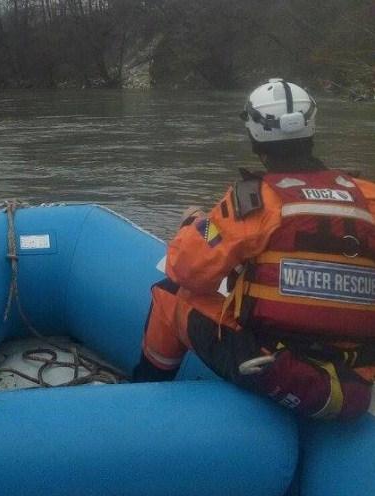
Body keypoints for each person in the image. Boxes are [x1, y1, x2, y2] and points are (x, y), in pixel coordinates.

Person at [134, 79, 375, 420]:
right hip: (357, 374)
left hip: (273, 363)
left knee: (170, 293)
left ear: (254, 136)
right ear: (312, 126)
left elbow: (186, 269)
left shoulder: (253, 200)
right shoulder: (367, 195)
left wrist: (198, 225)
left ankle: (144, 398)